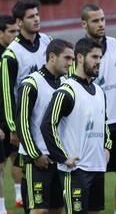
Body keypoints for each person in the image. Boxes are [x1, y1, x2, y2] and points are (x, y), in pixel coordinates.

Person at [41, 38, 112, 214]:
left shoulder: (99, 91)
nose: (98, 62)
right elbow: (47, 125)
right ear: (80, 58)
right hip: (76, 170)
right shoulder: (67, 90)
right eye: (94, 57)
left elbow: (104, 124)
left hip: (97, 166)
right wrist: (63, 157)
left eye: (100, 57)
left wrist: (107, 147)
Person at [79, 4, 116, 214]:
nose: (101, 24)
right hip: (91, 128)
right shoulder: (79, 51)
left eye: (103, 19)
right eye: (95, 21)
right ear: (84, 24)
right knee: (93, 179)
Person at [0, 0, 51, 210]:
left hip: (51, 121)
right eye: (31, 16)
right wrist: (13, 127)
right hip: (27, 126)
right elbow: (6, 93)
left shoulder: (48, 41)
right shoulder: (11, 55)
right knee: (35, 186)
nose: (37, 19)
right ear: (19, 22)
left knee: (56, 185)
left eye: (37, 14)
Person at [16, 39, 74, 214]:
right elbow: (22, 123)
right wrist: (35, 154)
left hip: (59, 157)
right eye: (67, 58)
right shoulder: (30, 84)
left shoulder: (67, 83)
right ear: (52, 57)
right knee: (39, 210)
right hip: (37, 159)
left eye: (72, 59)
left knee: (58, 208)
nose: (70, 63)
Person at [0, 15, 19, 214]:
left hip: (14, 116)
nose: (15, 35)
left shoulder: (16, 53)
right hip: (0, 119)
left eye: (16, 31)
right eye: (11, 32)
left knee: (18, 157)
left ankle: (21, 197)